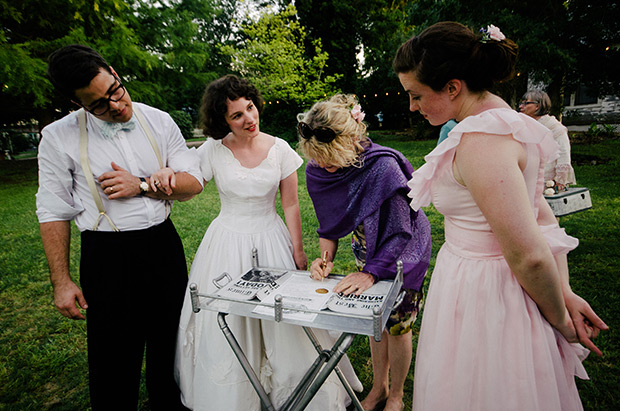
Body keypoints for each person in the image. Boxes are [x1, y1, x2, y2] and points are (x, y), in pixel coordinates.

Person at [393, 22, 608, 410]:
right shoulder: (503, 122)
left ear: (453, 87)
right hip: (474, 281)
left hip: (488, 295)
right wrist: (564, 291)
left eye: (416, 95)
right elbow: (542, 217)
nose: (412, 106)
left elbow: (529, 253)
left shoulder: (482, 142)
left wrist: (559, 317)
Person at [174, 75, 362, 410]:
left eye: (249, 107)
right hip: (226, 242)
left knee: (285, 319)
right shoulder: (212, 150)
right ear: (223, 121)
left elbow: (290, 203)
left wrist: (299, 249)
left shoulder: (280, 149)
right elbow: (191, 179)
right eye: (237, 115)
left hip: (271, 238)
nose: (249, 118)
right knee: (228, 319)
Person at [36, 44, 203, 410]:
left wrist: (143, 184)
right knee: (113, 355)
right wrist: (61, 282)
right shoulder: (58, 136)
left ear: (113, 71)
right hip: (105, 254)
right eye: (98, 103)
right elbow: (52, 210)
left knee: (170, 345)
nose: (114, 105)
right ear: (78, 102)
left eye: (115, 90)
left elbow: (195, 183)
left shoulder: (158, 120)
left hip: (162, 246)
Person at [299, 94, 432, 411]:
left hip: (404, 253)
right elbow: (329, 223)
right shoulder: (318, 169)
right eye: (316, 157)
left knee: (397, 326)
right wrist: (325, 261)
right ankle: (379, 387)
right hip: (365, 248)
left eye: (328, 157)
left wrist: (373, 272)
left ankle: (397, 395)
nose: (322, 165)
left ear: (351, 142)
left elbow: (401, 229)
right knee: (376, 323)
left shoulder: (384, 167)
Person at [520, 89, 576, 192]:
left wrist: (559, 181)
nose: (521, 106)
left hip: (548, 183)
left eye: (526, 103)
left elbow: (563, 154)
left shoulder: (555, 128)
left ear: (538, 106)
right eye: (521, 103)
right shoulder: (523, 126)